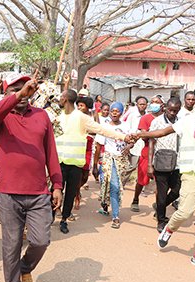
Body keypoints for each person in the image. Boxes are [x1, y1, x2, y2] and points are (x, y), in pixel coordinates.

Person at [0, 73, 62, 282]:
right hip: (8, 193)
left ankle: (25, 268)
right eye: (15, 90)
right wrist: (19, 94)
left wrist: (57, 185)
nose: (22, 93)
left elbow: (51, 152)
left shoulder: (41, 116)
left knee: (41, 240)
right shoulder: (2, 117)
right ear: (9, 93)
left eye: (26, 88)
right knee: (11, 244)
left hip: (39, 191)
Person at [140, 82, 195, 271]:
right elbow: (163, 132)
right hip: (190, 173)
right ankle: (169, 228)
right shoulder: (187, 120)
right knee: (185, 212)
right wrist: (141, 134)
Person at [55, 89, 130, 234]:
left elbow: (102, 130)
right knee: (55, 191)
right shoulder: (58, 116)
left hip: (75, 163)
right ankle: (51, 216)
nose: (59, 99)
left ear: (65, 99)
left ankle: (64, 220)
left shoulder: (81, 117)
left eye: (60, 97)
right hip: (58, 162)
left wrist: (123, 137)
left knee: (70, 193)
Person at [93, 102, 132, 228]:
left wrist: (129, 146)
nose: (114, 113)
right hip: (108, 158)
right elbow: (98, 146)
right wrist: (94, 165)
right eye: (112, 110)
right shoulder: (104, 127)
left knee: (115, 186)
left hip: (121, 160)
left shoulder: (126, 126)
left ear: (121, 112)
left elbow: (132, 140)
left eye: (117, 111)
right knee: (108, 184)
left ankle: (112, 211)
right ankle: (111, 211)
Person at [147, 97, 182, 232]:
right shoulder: (157, 122)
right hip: (161, 161)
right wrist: (150, 164)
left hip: (178, 163)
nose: (172, 113)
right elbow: (151, 141)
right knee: (161, 193)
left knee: (177, 191)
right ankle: (161, 220)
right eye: (171, 110)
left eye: (176, 110)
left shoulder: (182, 122)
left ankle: (160, 207)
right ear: (165, 108)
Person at [131, 95, 164, 212]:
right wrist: (155, 134)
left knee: (160, 184)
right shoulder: (145, 118)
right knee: (141, 180)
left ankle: (159, 207)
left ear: (162, 105)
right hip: (146, 153)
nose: (154, 104)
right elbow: (144, 136)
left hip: (162, 155)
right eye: (152, 101)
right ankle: (135, 199)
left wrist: (152, 134)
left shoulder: (166, 119)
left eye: (157, 102)